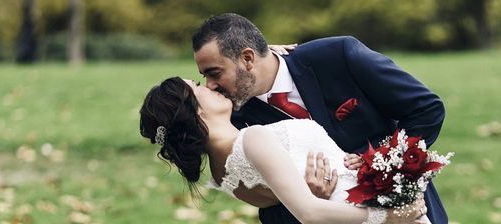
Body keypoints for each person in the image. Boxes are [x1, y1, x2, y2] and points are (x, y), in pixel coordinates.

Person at [191, 13, 448, 224]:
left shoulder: (337, 56)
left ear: (248, 58)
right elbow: (268, 207)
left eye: (215, 73)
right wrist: (306, 196)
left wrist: (379, 161)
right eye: (205, 77)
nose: (211, 86)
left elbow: (426, 109)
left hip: (409, 212)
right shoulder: (235, 124)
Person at [140, 76, 430, 224]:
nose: (211, 85)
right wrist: (388, 217)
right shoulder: (253, 138)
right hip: (372, 215)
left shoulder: (222, 175)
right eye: (198, 86)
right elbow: (308, 212)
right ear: (193, 110)